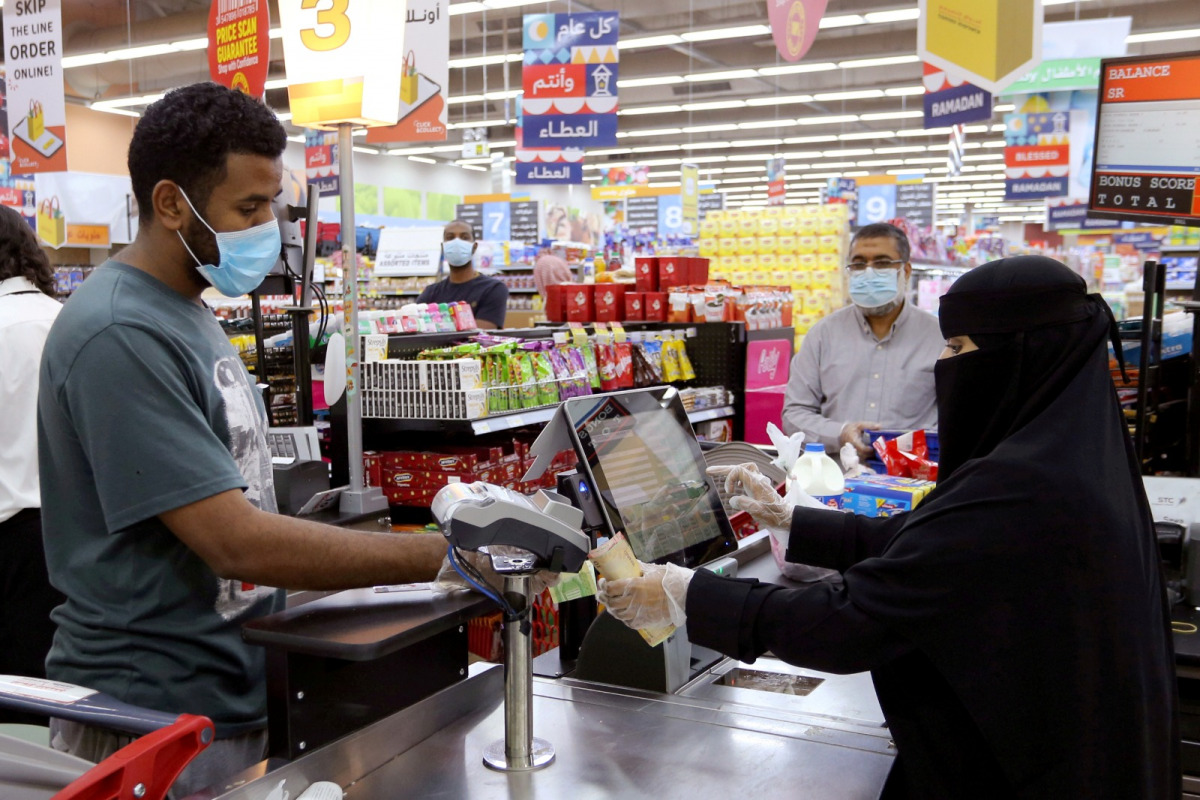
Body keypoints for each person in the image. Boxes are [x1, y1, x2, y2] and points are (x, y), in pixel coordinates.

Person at [599, 256, 1179, 798]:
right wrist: (792, 521)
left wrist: (686, 593)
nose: (943, 365)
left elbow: (854, 621)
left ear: (1019, 356)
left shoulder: (1024, 485)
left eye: (957, 346)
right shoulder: (1069, 449)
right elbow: (935, 543)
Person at [36, 83, 465, 797]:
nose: (270, 227)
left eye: (273, 205)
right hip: (150, 718)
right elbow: (235, 542)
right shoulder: (120, 330)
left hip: (220, 694)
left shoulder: (187, 309)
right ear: (171, 203)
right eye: (248, 208)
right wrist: (439, 555)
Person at [782, 222, 943, 462]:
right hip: (834, 483)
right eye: (858, 263)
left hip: (913, 484)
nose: (869, 272)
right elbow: (795, 413)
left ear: (906, 271)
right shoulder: (823, 335)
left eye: (881, 263)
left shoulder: (940, 337)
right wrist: (839, 433)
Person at [0, 206, 64, 725]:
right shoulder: (72, 321)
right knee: (62, 696)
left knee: (14, 709)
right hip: (81, 534)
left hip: (9, 542)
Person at [416, 220, 508, 329]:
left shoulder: (493, 289)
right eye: (450, 237)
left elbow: (480, 337)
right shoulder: (430, 293)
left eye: (464, 237)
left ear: (474, 247)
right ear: (443, 247)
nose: (457, 243)